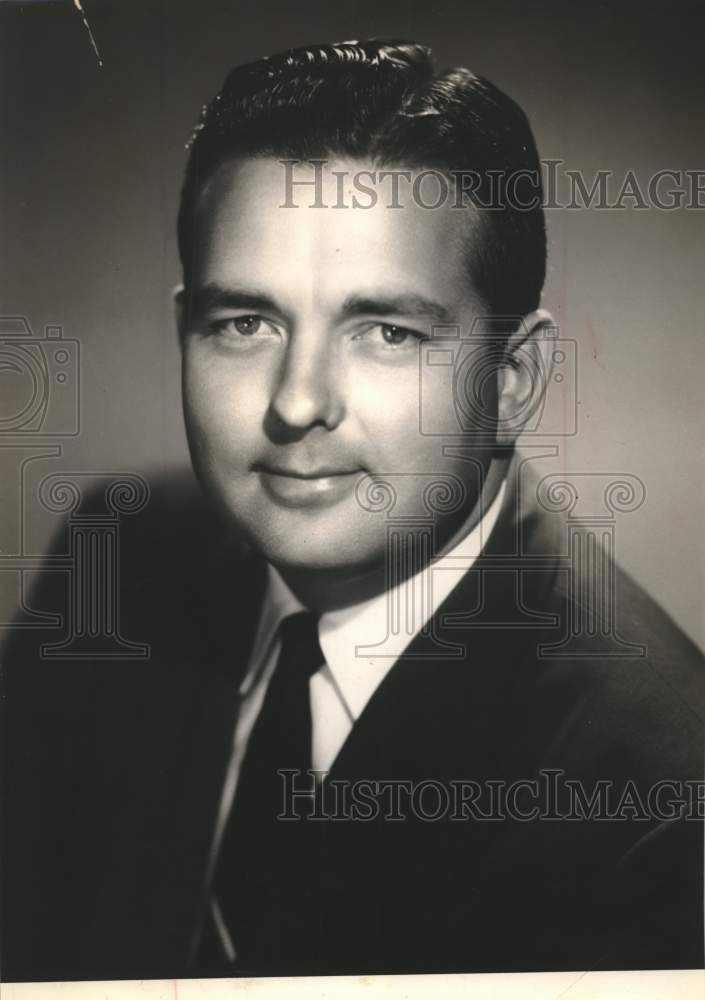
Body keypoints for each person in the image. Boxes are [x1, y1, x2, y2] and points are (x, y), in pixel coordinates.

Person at [1, 40, 702, 981]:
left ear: (511, 380)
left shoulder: (656, 802)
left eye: (385, 332)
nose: (296, 402)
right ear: (183, 331)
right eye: (244, 322)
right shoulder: (118, 554)